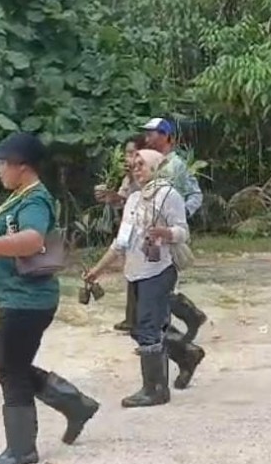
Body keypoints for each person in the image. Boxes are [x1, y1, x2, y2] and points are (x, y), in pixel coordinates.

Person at [0, 132, 100, 464]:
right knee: (12, 366)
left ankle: (22, 448)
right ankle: (74, 405)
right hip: (17, 296)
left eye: (3, 163)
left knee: (9, 369)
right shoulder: (20, 197)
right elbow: (6, 243)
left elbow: (31, 241)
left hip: (27, 299)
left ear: (23, 166)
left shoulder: (34, 201)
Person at [84, 149, 195, 407]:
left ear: (157, 167)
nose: (135, 168)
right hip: (135, 271)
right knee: (137, 326)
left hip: (158, 270)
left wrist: (166, 233)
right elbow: (121, 242)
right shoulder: (133, 199)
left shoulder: (169, 195)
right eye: (133, 165)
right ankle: (186, 354)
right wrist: (97, 270)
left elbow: (183, 232)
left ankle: (155, 389)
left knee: (148, 327)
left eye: (141, 164)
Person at [141, 118, 209, 354]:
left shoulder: (176, 166)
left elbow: (195, 194)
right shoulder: (146, 164)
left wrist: (180, 216)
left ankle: (185, 327)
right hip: (147, 236)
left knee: (160, 287)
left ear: (166, 136)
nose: (147, 138)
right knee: (154, 287)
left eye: (152, 133)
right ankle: (187, 323)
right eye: (146, 133)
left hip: (168, 235)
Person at [95, 135, 146, 332]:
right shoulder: (128, 177)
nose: (128, 158)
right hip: (131, 231)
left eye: (132, 153)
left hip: (147, 236)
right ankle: (133, 320)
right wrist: (110, 197)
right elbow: (124, 201)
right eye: (126, 153)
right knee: (132, 273)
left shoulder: (149, 176)